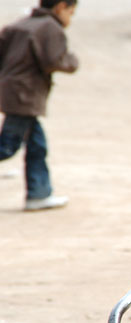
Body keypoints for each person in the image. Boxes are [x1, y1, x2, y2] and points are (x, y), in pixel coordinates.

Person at [0, 0, 78, 211]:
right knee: (7, 146)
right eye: (71, 12)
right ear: (61, 7)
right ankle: (39, 193)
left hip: (11, 91)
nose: (71, 18)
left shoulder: (21, 25)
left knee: (36, 145)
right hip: (25, 96)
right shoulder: (50, 28)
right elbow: (54, 60)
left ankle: (39, 193)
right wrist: (72, 61)